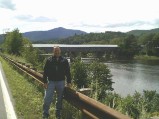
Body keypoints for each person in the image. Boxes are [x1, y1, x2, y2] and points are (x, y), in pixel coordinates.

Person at [42, 46, 71, 119]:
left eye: (58, 51)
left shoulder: (64, 60)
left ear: (60, 51)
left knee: (60, 99)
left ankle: (58, 114)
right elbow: (45, 72)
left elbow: (68, 72)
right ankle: (45, 114)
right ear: (53, 52)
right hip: (51, 81)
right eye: (55, 51)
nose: (57, 52)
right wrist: (45, 81)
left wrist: (69, 82)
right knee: (47, 98)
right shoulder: (49, 60)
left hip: (61, 82)